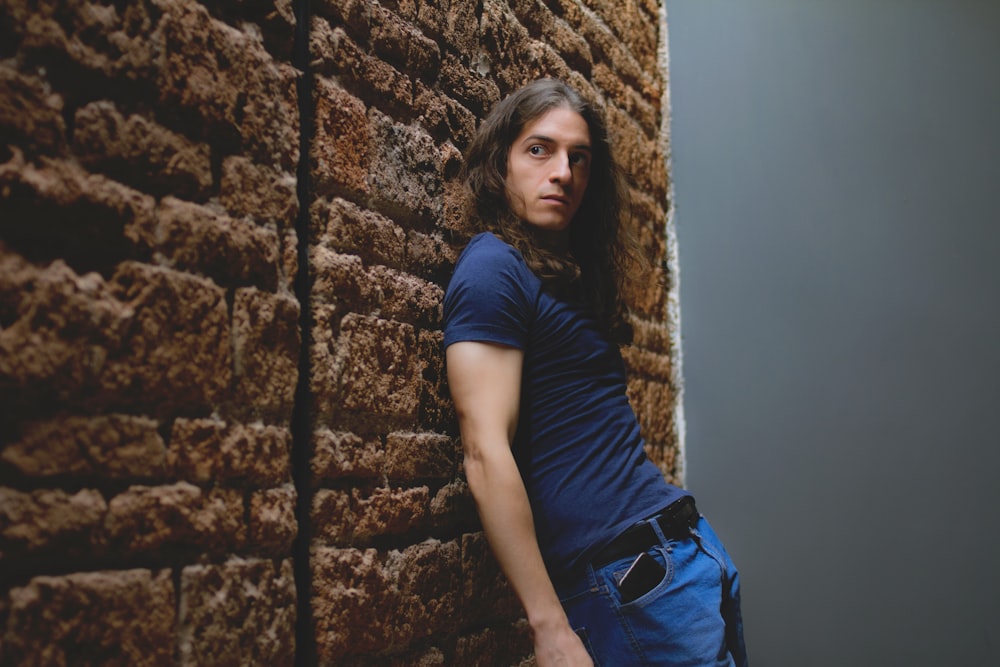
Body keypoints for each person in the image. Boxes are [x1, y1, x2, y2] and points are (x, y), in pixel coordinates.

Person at [443, 78, 747, 666]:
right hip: (634, 579)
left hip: (686, 556)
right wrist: (549, 626)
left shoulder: (561, 275)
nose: (562, 172)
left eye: (577, 158)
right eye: (540, 149)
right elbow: (483, 451)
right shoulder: (492, 269)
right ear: (500, 158)